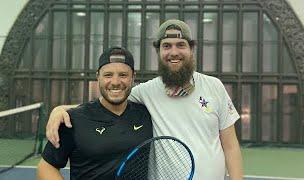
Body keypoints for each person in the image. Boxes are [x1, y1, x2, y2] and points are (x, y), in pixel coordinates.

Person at [45, 19, 243, 180]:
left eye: (180, 45)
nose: (174, 52)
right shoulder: (146, 92)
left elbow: (231, 145)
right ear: (159, 52)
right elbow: (109, 98)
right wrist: (60, 110)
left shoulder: (214, 86)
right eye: (166, 46)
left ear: (191, 49)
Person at [37, 47, 153, 180]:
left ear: (133, 77)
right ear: (98, 77)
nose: (115, 82)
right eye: (108, 75)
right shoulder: (73, 119)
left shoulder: (146, 114)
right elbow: (46, 167)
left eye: (123, 75)